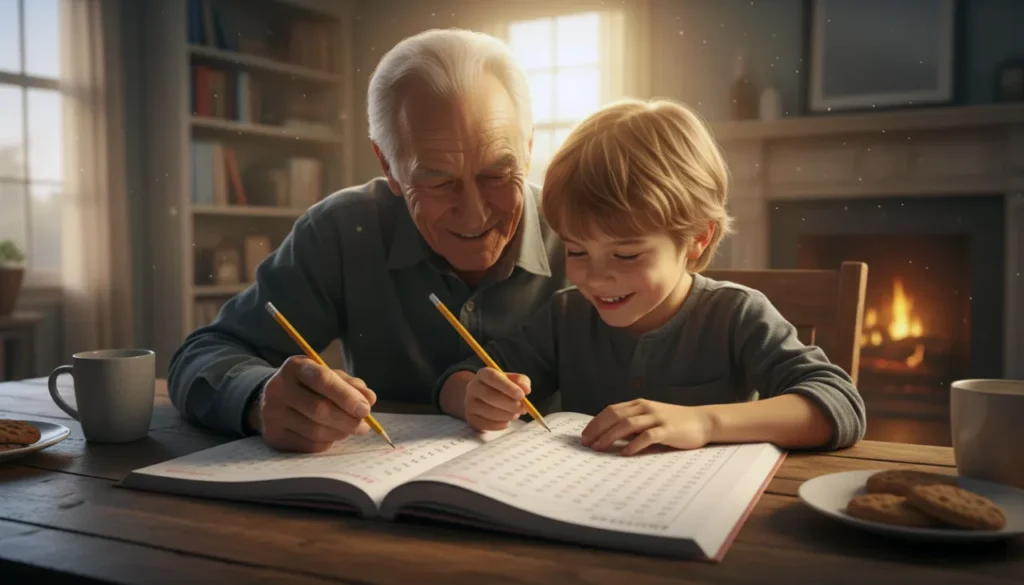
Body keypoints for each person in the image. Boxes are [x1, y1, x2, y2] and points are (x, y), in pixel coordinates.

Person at [167, 28, 569, 453]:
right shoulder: (342, 230)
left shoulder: (582, 231)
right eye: (438, 181)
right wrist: (259, 397)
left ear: (527, 149)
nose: (474, 213)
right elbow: (205, 353)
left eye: (496, 174)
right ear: (389, 165)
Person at [435, 98, 867, 455]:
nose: (597, 278)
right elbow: (459, 376)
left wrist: (704, 421)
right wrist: (473, 397)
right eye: (577, 250)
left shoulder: (736, 314)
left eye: (626, 254)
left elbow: (839, 404)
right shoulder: (566, 316)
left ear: (697, 240)